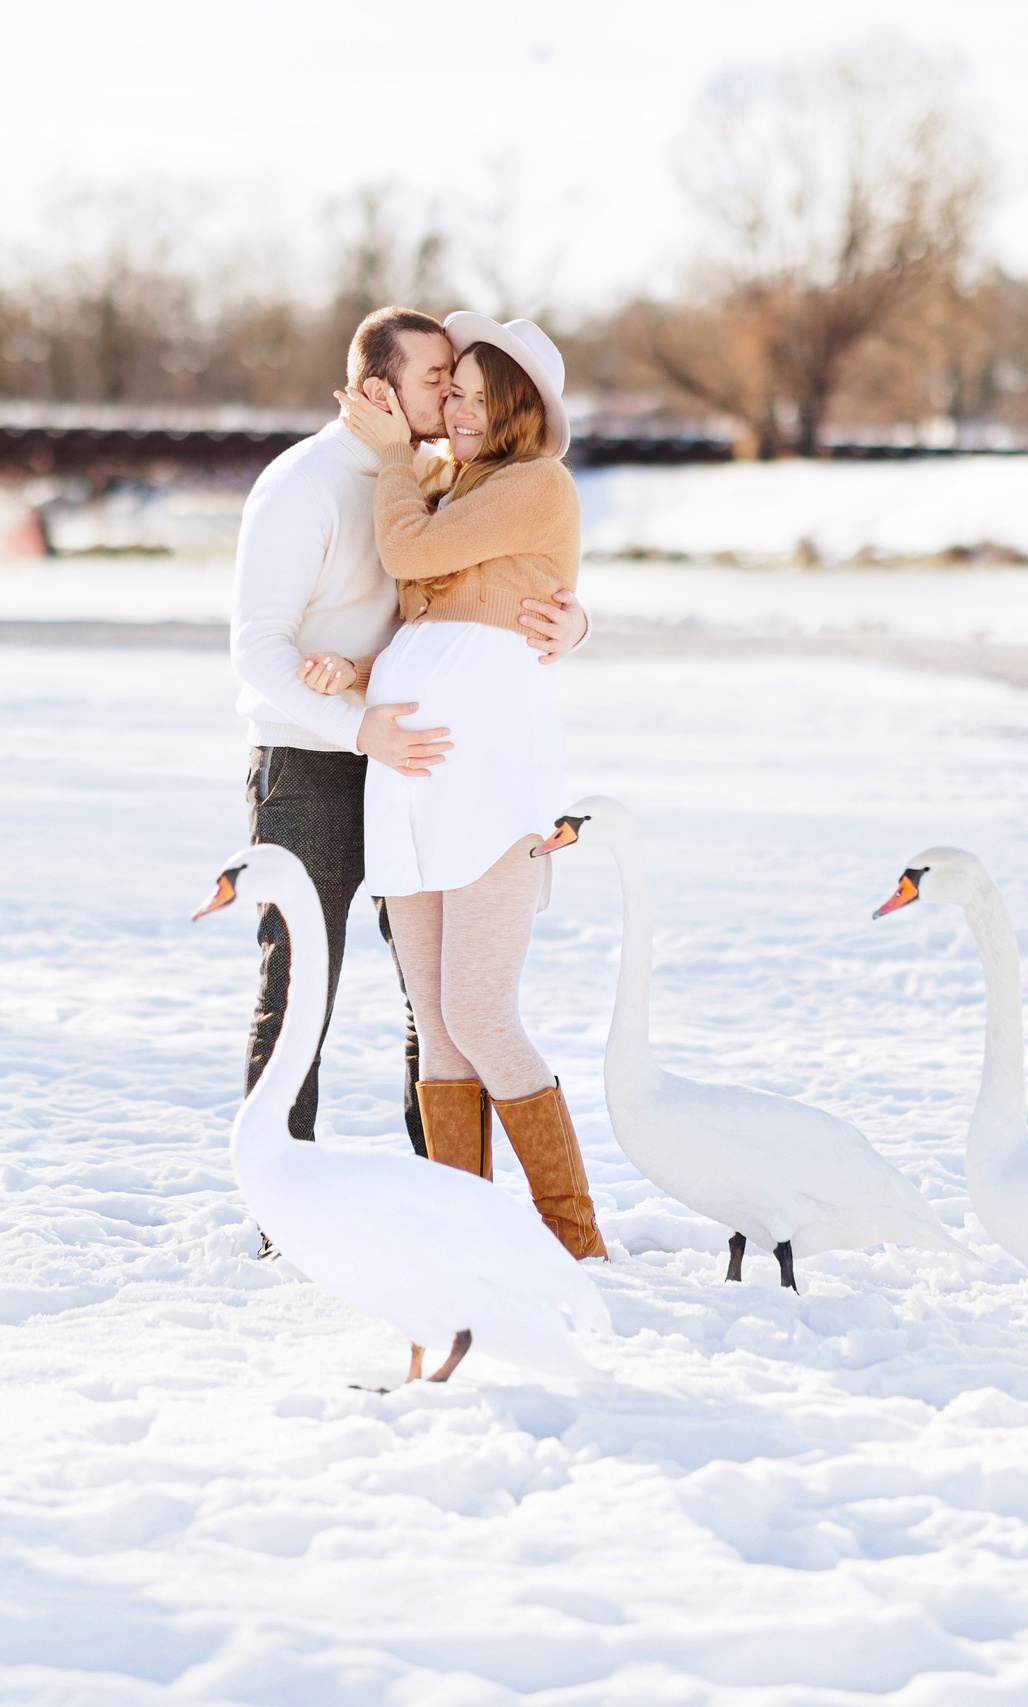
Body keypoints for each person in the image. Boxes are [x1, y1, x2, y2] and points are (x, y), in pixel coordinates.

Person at [229, 306, 589, 1155]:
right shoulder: (302, 483)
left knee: (430, 996)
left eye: (458, 380)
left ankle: (444, 1189)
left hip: (419, 761)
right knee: (301, 984)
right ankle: (283, 1198)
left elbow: (480, 589)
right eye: (437, 380)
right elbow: (256, 649)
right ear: (373, 389)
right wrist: (355, 722)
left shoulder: (432, 476)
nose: (449, 395)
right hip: (313, 762)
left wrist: (574, 625)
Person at [300, 314, 607, 1261]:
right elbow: (431, 622)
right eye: (455, 393)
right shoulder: (449, 484)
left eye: (480, 396)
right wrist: (353, 670)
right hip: (411, 774)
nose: (461, 412)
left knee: (480, 1011)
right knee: (433, 1018)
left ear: (518, 407)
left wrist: (396, 458)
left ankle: (574, 1237)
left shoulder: (533, 485)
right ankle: (462, 1234)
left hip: (488, 772)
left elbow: (412, 558)